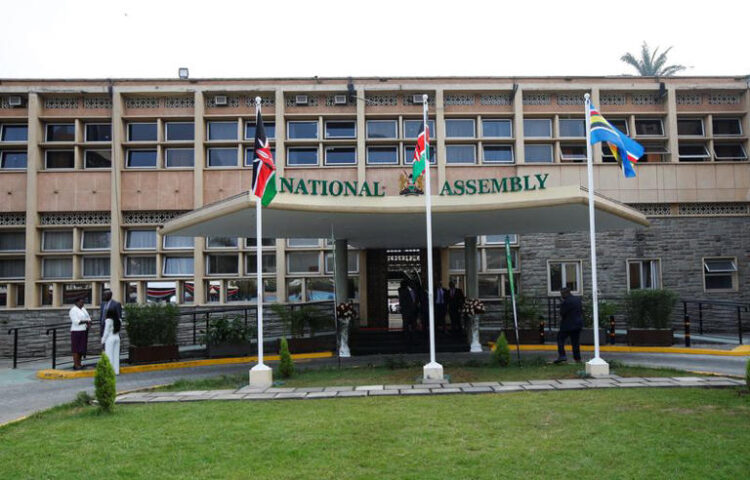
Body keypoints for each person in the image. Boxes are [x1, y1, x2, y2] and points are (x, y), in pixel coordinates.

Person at [554, 287, 584, 364]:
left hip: (567, 325)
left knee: (560, 339)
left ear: (565, 293)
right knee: (575, 342)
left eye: (562, 294)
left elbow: (562, 313)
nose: (561, 296)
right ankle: (577, 359)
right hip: (577, 324)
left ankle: (562, 355)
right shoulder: (577, 299)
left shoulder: (566, 302)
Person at [69, 297, 91, 370]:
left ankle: (79, 363)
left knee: (81, 348)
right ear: (76, 302)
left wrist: (88, 322)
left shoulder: (83, 309)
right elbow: (76, 321)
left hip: (83, 330)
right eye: (81, 302)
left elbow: (88, 317)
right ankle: (76, 364)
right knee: (76, 348)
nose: (82, 304)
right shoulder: (73, 310)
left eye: (83, 302)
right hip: (76, 331)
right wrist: (86, 321)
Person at [101, 303, 122, 375]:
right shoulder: (119, 320)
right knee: (116, 355)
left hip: (110, 338)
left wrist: (102, 340)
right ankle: (116, 371)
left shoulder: (108, 320)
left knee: (109, 355)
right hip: (117, 337)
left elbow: (106, 332)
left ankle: (109, 371)